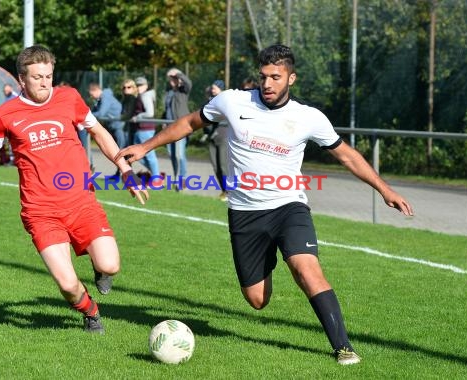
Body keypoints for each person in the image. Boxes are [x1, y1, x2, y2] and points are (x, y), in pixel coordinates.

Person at [115, 44, 414, 364]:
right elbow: (189, 122)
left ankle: (343, 346)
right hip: (244, 213)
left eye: (276, 77)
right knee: (257, 300)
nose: (268, 83)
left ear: (291, 79)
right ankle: (269, 254)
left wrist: (385, 190)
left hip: (289, 207)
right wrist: (146, 146)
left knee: (306, 268)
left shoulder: (308, 117)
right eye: (263, 76)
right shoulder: (233, 101)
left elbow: (346, 155)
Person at [0, 45, 149, 334]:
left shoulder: (69, 98)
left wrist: (125, 169)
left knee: (111, 265)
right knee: (67, 284)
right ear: (21, 79)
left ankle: (100, 267)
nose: (44, 82)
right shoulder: (5, 114)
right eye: (37, 77)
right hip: (40, 212)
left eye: (49, 76)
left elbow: (99, 132)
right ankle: (90, 312)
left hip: (81, 202)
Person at [163, 68, 192, 191]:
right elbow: (167, 109)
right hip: (169, 127)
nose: (172, 81)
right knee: (172, 154)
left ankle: (182, 179)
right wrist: (164, 121)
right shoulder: (169, 92)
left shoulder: (183, 91)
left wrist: (177, 74)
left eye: (175, 79)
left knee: (179, 154)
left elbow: (188, 83)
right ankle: (176, 178)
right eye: (171, 79)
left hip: (181, 127)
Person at [132, 76, 162, 187]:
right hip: (141, 128)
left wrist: (138, 116)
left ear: (146, 86)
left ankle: (157, 179)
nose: (139, 87)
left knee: (148, 155)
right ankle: (156, 174)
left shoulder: (146, 96)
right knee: (134, 154)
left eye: (141, 85)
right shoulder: (142, 95)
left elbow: (150, 113)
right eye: (137, 85)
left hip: (145, 129)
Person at [201, 80, 228, 201]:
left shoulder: (225, 101)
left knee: (223, 166)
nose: (213, 90)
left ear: (221, 89)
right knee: (215, 167)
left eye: (215, 88)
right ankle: (224, 190)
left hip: (222, 136)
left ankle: (229, 192)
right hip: (211, 138)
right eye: (212, 88)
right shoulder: (209, 101)